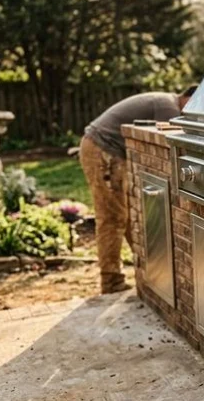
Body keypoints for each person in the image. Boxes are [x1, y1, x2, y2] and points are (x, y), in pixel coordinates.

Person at [80, 87, 196, 293]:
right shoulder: (167, 106)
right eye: (193, 105)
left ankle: (148, 268)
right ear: (188, 97)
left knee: (124, 215)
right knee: (111, 218)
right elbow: (174, 143)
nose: (192, 113)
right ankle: (111, 282)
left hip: (104, 149)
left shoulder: (164, 100)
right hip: (102, 150)